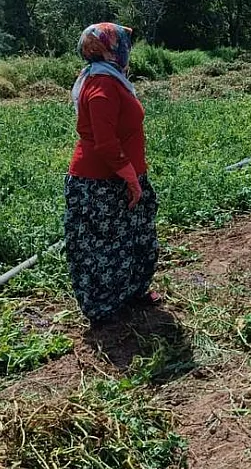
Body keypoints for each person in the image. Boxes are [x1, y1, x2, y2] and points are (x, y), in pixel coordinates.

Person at [64, 22, 159, 325]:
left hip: (120, 177)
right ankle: (104, 308)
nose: (126, 49)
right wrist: (130, 177)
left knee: (133, 236)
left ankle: (131, 293)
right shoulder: (102, 84)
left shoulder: (109, 77)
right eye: (122, 43)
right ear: (109, 47)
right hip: (101, 183)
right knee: (102, 245)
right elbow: (105, 142)